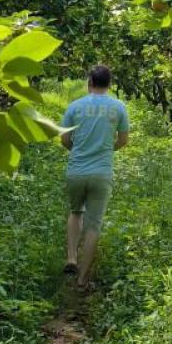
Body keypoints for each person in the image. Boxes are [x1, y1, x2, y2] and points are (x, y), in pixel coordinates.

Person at [61, 64, 129, 289]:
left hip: (76, 171)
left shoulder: (75, 106)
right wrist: (107, 150)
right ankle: (82, 279)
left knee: (75, 211)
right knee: (93, 225)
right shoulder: (118, 107)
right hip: (102, 172)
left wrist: (79, 150)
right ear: (109, 84)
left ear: (89, 82)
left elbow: (64, 140)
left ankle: (71, 258)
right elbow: (123, 140)